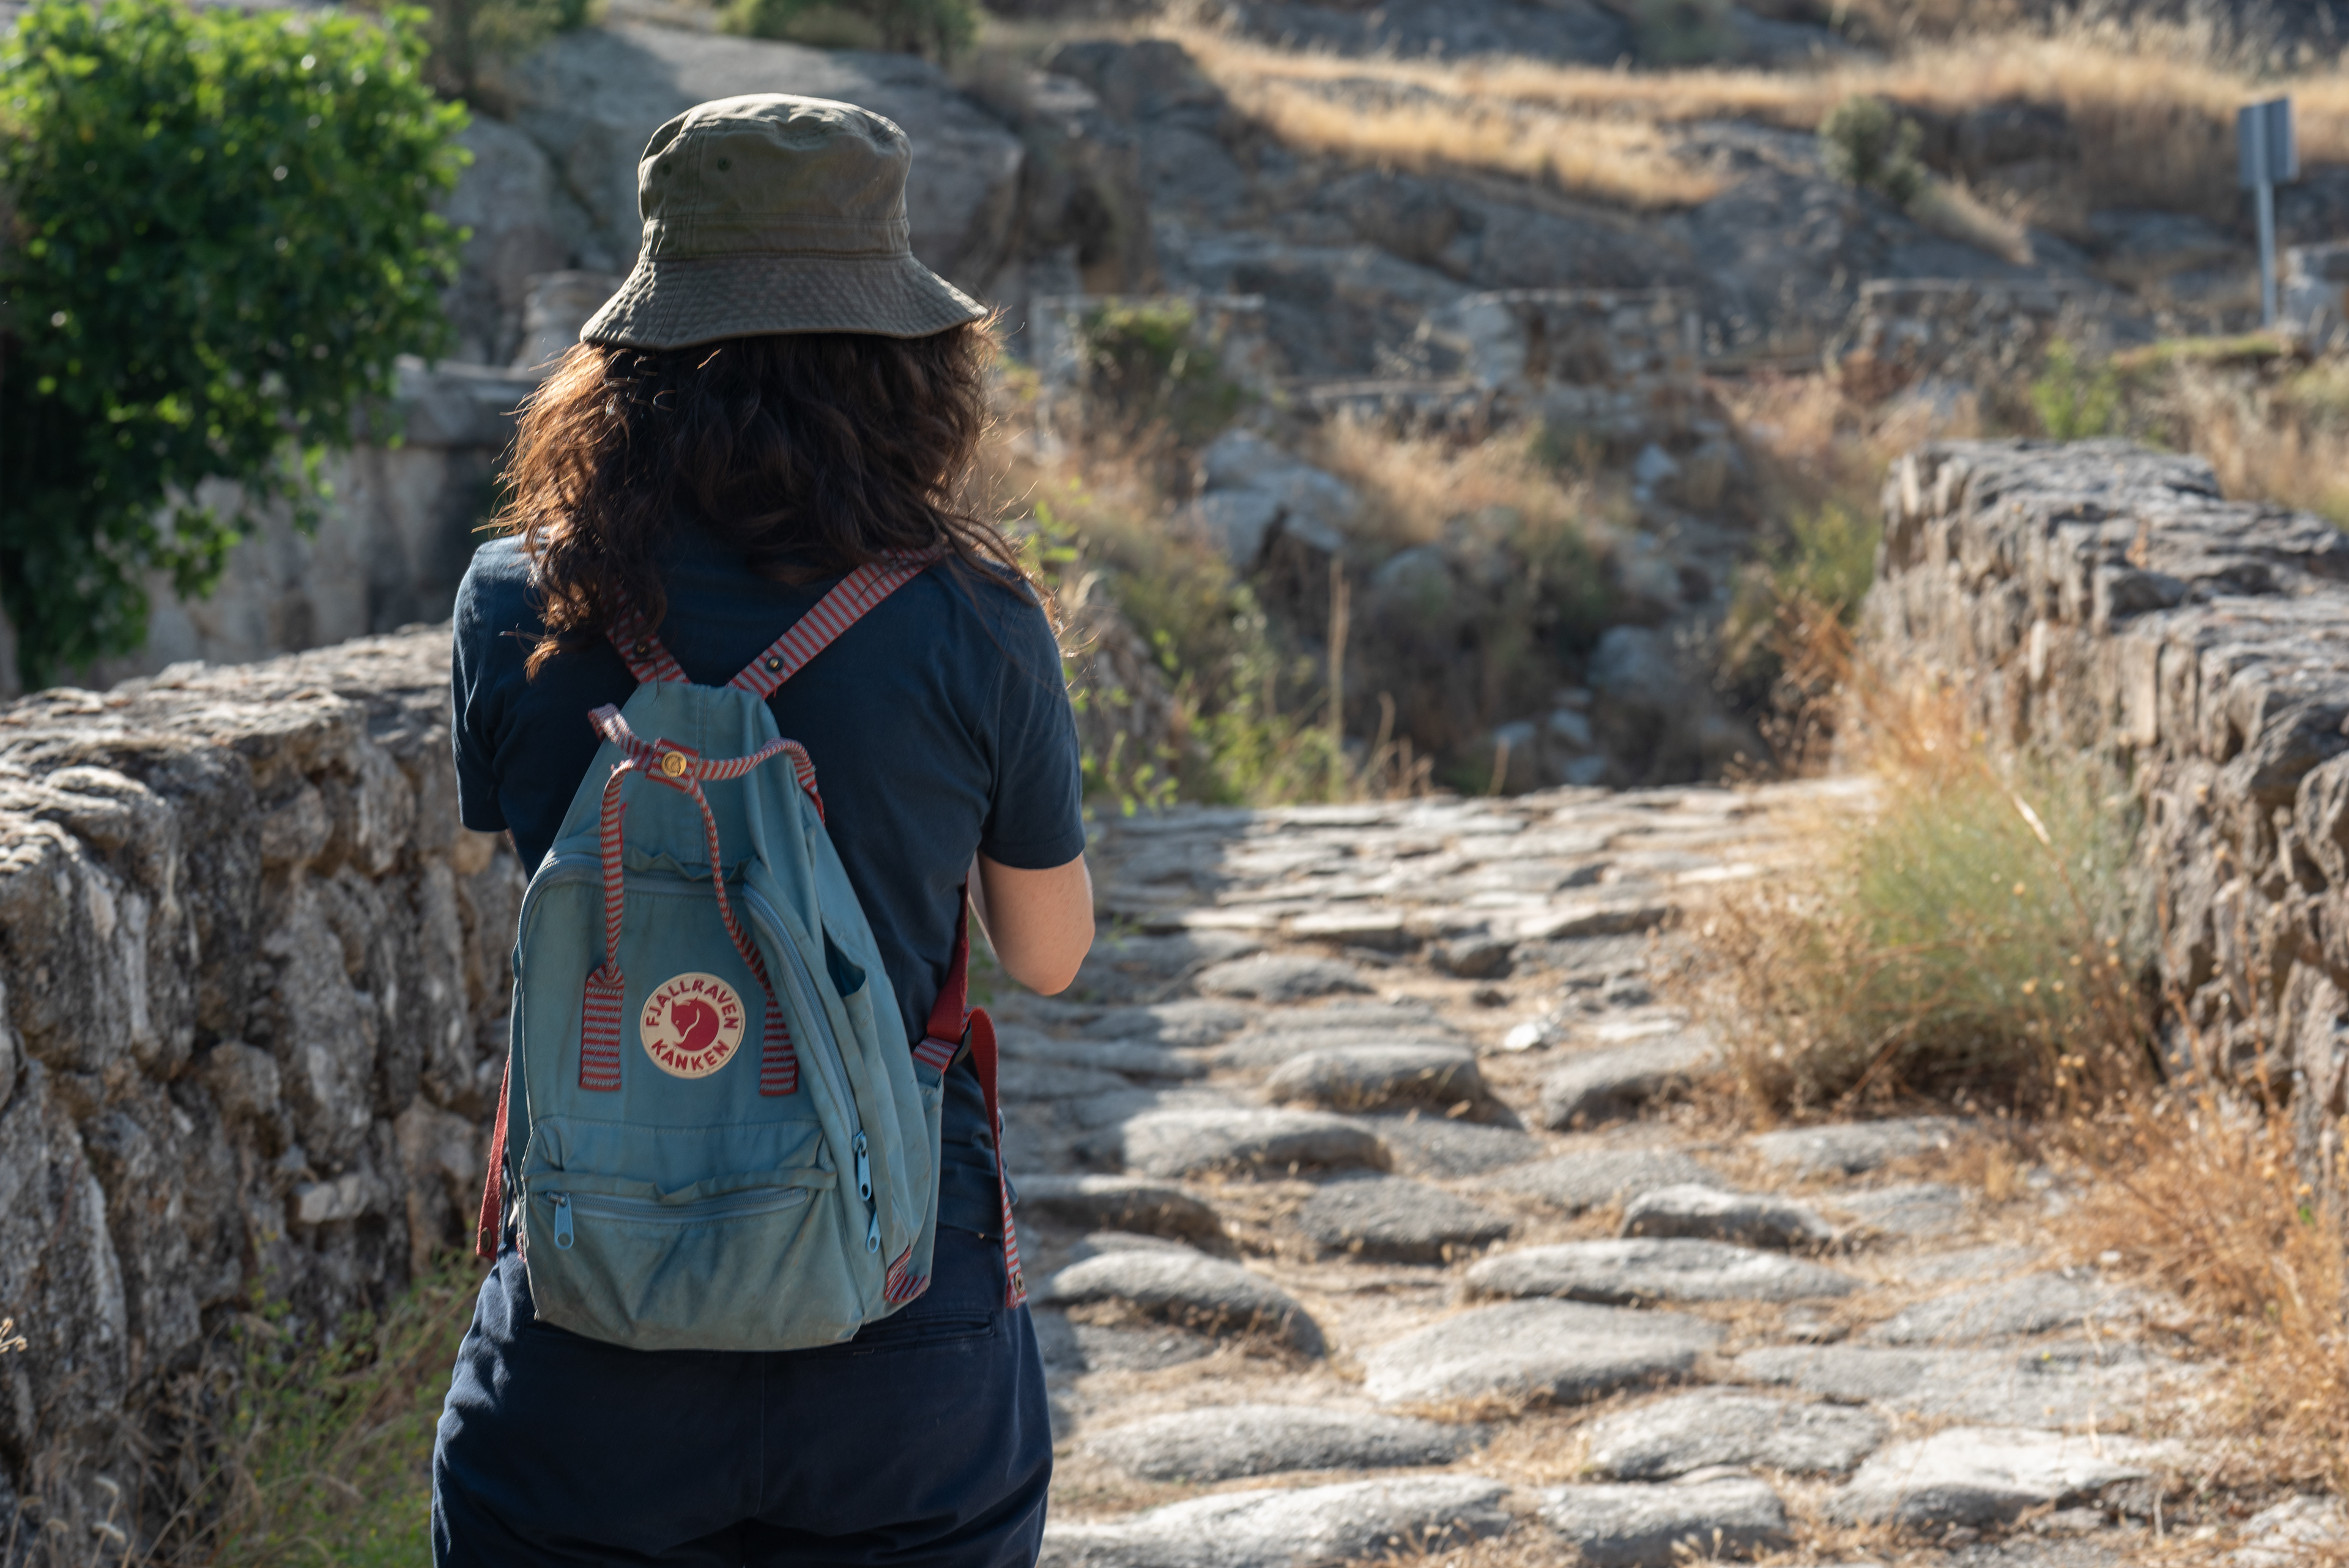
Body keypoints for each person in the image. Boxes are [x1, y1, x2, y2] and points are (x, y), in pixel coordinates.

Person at [432, 93, 1092, 1568]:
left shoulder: (511, 602)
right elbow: (1045, 956)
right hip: (899, 1325)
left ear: (634, 345)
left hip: (591, 1339)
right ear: (909, 356)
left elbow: (552, 893)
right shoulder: (974, 618)